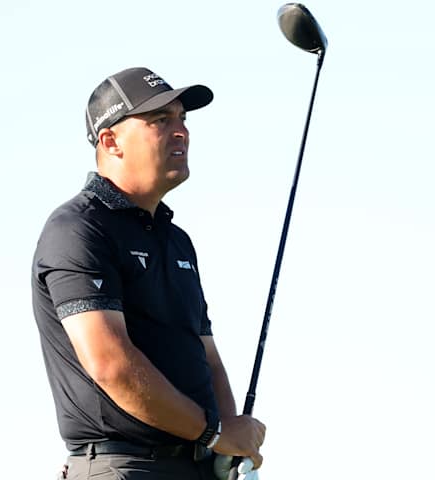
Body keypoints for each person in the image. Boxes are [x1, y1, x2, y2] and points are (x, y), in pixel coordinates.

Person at [31, 66, 265, 480]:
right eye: (160, 121)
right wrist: (214, 432)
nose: (181, 132)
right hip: (123, 466)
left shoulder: (177, 241)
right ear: (110, 141)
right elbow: (111, 364)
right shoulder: (78, 228)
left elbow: (205, 356)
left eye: (182, 119)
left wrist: (229, 444)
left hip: (194, 466)